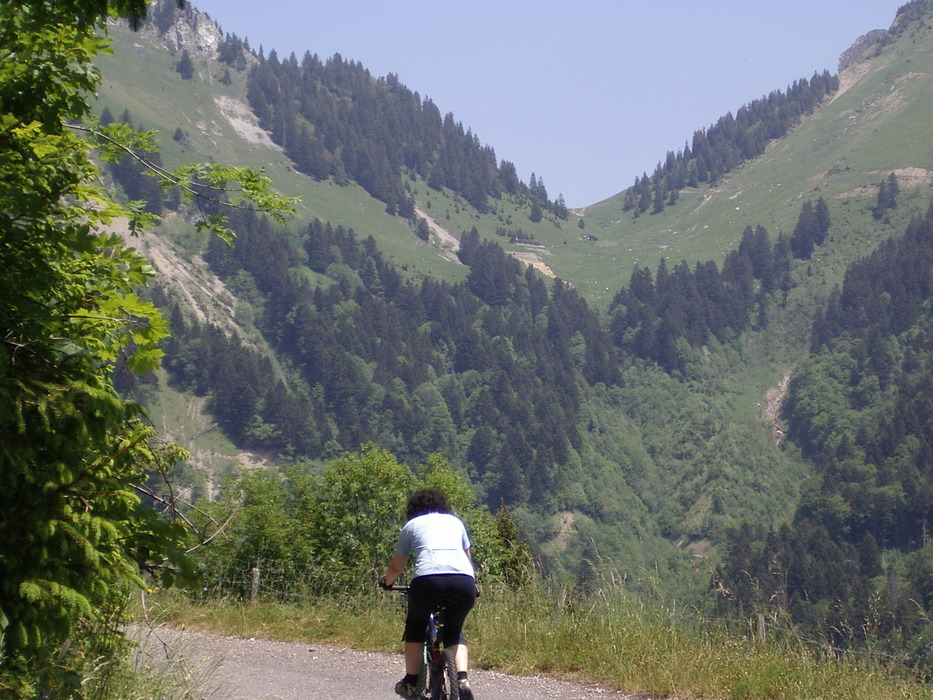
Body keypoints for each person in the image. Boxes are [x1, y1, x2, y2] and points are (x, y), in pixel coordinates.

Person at [379, 489, 477, 700]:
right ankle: (462, 679)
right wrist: (474, 584)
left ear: (413, 509)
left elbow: (397, 566)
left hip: (427, 581)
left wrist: (387, 582)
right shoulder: (455, 522)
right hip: (464, 581)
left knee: (415, 625)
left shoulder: (411, 525)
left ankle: (412, 683)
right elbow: (467, 558)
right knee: (454, 630)